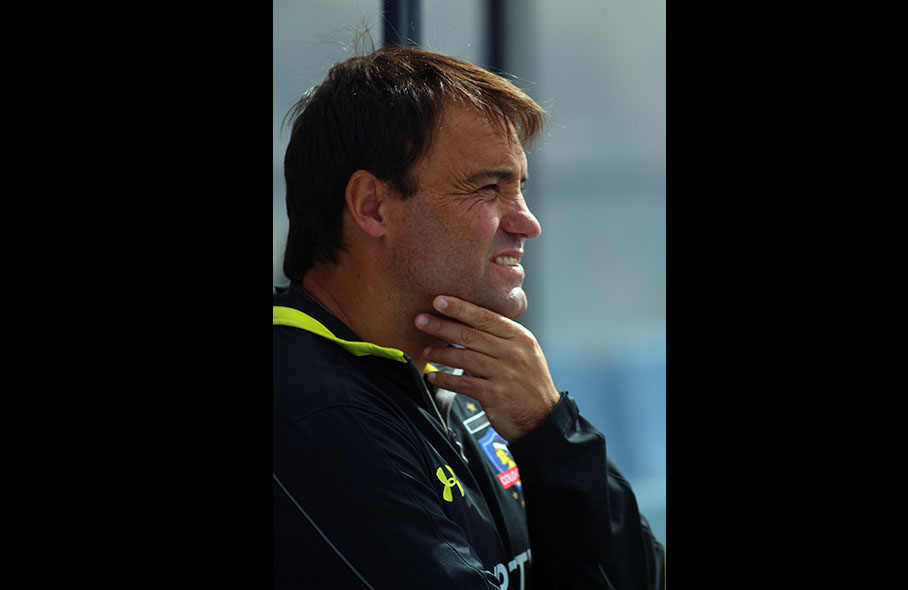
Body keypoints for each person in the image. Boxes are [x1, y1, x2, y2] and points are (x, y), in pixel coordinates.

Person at [273, 45, 665, 589]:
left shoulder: (465, 377)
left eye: (520, 187)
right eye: (488, 188)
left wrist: (550, 431)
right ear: (371, 207)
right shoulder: (309, 411)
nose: (527, 222)